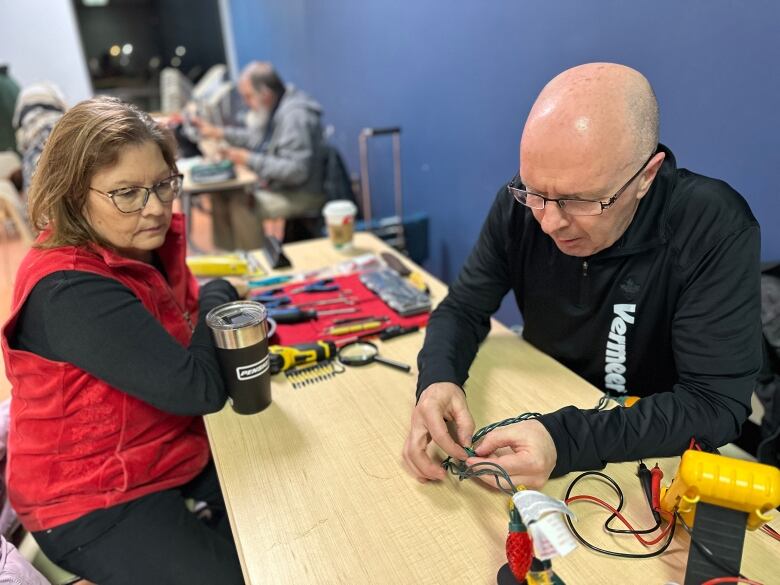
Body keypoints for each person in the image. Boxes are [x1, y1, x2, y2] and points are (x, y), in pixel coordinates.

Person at [403, 63, 762, 491]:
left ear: (645, 176)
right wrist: (438, 379)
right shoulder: (521, 207)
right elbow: (463, 307)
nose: (550, 222)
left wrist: (565, 438)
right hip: (540, 404)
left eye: (578, 200)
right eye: (535, 192)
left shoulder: (712, 225)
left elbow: (714, 405)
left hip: (645, 448)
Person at [0, 96, 246, 584]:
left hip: (161, 449)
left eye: (162, 185)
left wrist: (208, 310)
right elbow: (199, 388)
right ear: (73, 194)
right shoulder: (69, 287)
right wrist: (223, 295)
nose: (154, 207)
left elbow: (188, 317)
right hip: (85, 498)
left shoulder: (139, 240)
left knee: (283, 523)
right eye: (127, 192)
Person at [194, 61, 325, 244]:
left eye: (248, 97)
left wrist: (247, 159)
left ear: (266, 95)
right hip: (281, 187)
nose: (246, 104)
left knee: (244, 206)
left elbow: (297, 171)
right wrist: (219, 133)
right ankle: (230, 258)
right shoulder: (275, 108)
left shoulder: (295, 116)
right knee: (221, 196)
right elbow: (255, 138)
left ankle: (255, 264)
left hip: (302, 193)